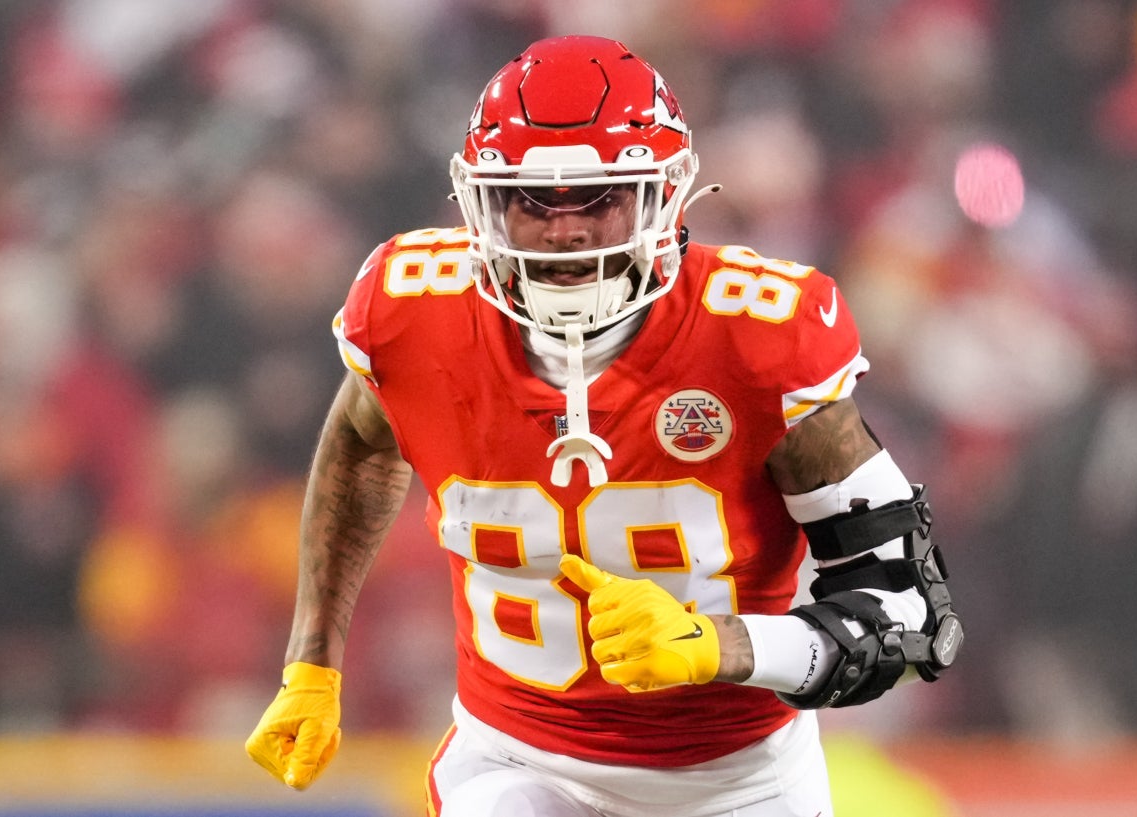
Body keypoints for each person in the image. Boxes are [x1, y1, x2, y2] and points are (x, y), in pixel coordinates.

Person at [245, 34, 962, 817]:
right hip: (513, 757)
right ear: (482, 201)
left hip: (736, 780)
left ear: (663, 194)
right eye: (533, 200)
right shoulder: (414, 312)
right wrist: (312, 661)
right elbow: (357, 442)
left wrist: (719, 645)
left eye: (600, 196)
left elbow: (909, 613)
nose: (567, 231)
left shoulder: (757, 337)